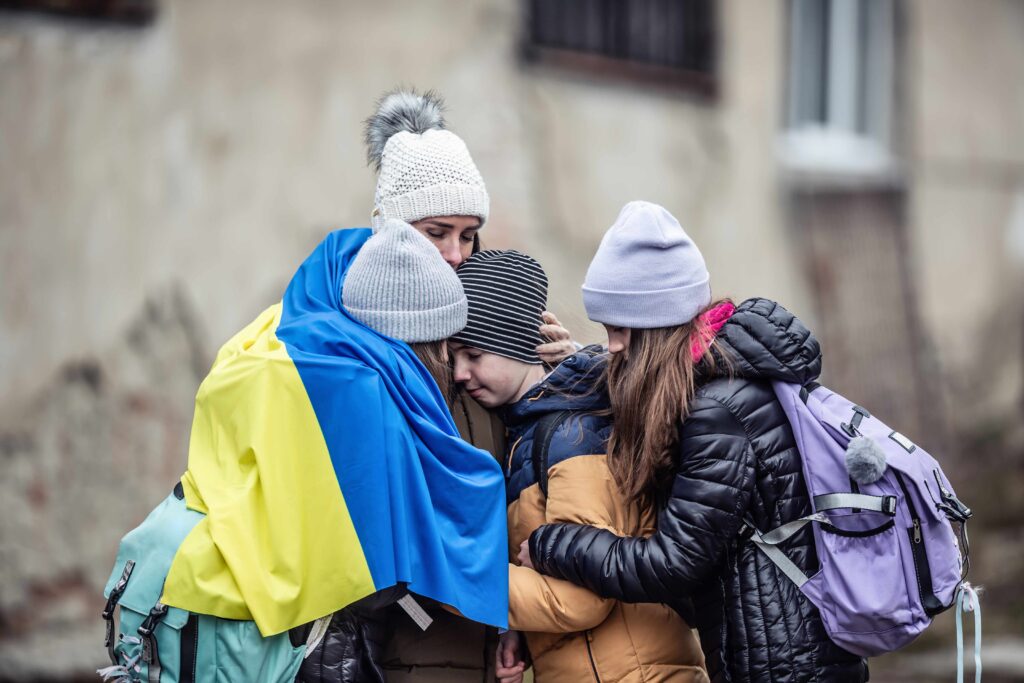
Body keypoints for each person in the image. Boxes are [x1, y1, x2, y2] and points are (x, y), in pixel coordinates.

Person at [520, 201, 870, 682]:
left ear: (657, 324)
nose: (614, 346)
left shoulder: (719, 411)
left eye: (620, 329)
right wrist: (583, 363)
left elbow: (674, 563)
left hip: (784, 665)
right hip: (778, 650)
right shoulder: (721, 381)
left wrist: (553, 544)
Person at [361, 89, 574, 682]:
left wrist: (567, 371)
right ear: (393, 230)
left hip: (485, 642)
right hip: (410, 645)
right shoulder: (371, 353)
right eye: (437, 232)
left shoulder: (482, 331)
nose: (456, 255)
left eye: (469, 234)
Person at [449, 249, 709, 683]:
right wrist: (518, 630)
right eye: (454, 357)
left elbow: (579, 601)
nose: (460, 373)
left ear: (517, 344)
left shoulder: (572, 434)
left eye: (473, 355)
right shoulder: (527, 433)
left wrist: (445, 578)